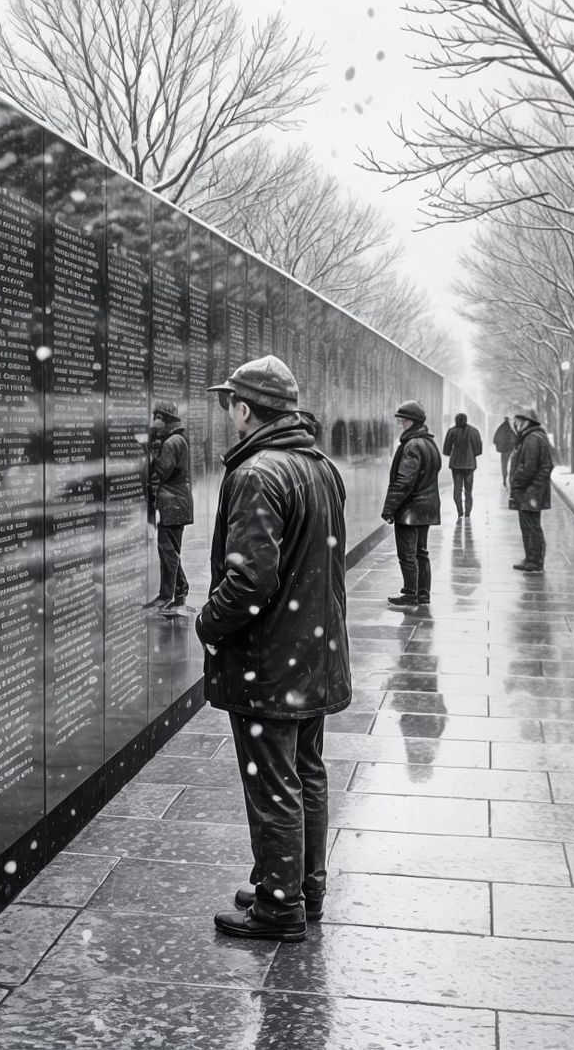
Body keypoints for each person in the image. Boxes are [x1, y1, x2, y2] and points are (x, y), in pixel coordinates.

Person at [197, 355, 350, 941]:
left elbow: (249, 581)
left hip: (271, 661)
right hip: (312, 654)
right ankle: (299, 886)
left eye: (229, 404)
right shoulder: (316, 465)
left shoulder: (260, 472)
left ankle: (279, 906)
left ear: (245, 409)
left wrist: (209, 624)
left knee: (275, 781)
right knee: (306, 773)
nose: (227, 414)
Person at [382, 400, 442, 608]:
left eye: (404, 420)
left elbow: (404, 481)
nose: (401, 424)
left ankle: (410, 592)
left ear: (413, 422)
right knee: (421, 552)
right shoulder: (429, 443)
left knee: (407, 553)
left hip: (410, 509)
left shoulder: (412, 445)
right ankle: (423, 593)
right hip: (426, 508)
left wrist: (390, 509)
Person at [145, 403, 193, 614]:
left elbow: (162, 471)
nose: (155, 422)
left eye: (158, 418)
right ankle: (180, 592)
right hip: (177, 503)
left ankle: (167, 596)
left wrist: (149, 457)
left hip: (172, 504)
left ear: (165, 420)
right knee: (172, 550)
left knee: (167, 552)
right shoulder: (179, 439)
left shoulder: (171, 442)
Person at [509, 407, 554, 571]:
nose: (516, 424)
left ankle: (535, 561)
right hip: (530, 490)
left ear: (526, 422)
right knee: (527, 525)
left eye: (519, 421)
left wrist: (521, 486)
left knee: (532, 526)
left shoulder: (532, 439)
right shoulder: (531, 437)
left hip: (530, 491)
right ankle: (531, 558)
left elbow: (529, 467)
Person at [442, 411, 482, 517]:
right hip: (470, 465)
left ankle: (459, 511)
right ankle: (468, 512)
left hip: (456, 465)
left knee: (457, 489)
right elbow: (478, 450)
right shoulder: (474, 431)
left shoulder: (451, 431)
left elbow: (446, 450)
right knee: (469, 490)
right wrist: (472, 454)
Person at [494, 414, 518, 486]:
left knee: (504, 465)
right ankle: (511, 479)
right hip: (510, 449)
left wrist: (499, 445)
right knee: (512, 464)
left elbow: (495, 439)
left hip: (504, 450)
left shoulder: (500, 428)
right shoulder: (510, 429)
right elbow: (516, 438)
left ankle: (504, 478)